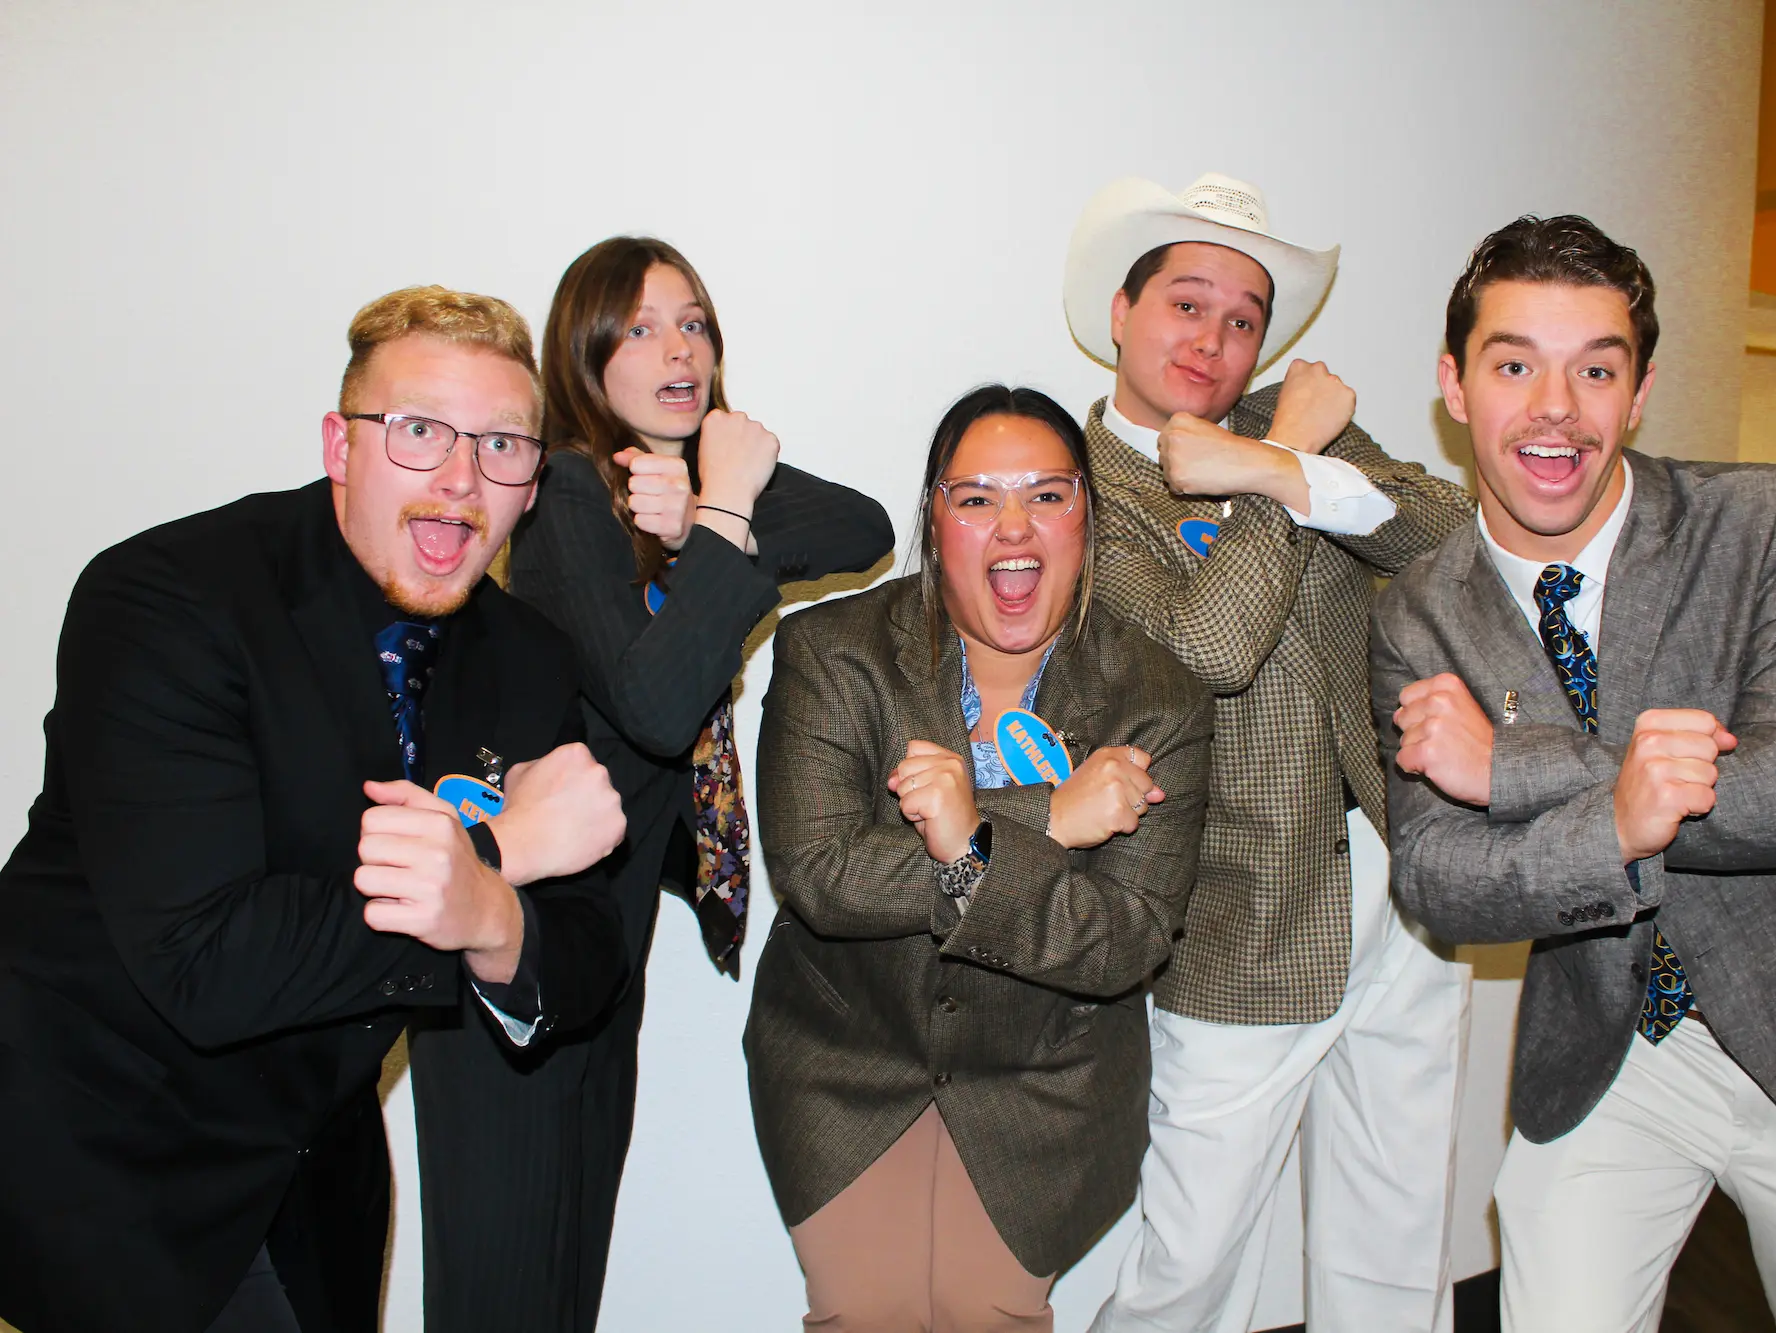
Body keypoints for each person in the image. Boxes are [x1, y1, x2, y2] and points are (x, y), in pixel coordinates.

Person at [1373, 214, 1776, 1332]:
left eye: (1593, 368)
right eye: (1514, 364)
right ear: (1453, 386)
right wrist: (1618, 810)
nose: (1554, 407)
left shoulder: (1764, 520)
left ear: (1636, 390)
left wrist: (1512, 766)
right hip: (1610, 1054)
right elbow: (1440, 881)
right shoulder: (1418, 613)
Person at [0, 285, 629, 1333]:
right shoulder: (165, 599)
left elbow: (583, 958)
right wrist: (500, 850)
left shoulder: (525, 660)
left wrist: (490, 912)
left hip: (315, 1170)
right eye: (419, 432)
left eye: (504, 447)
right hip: (97, 1147)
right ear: (342, 445)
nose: (459, 482)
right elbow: (208, 961)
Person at [407, 235, 893, 1331]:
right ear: (583, 353)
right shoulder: (567, 490)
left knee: (562, 1283)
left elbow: (861, 524)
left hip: (598, 954)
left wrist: (704, 508)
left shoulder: (689, 484)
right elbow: (658, 706)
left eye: (694, 322)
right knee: (500, 1298)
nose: (678, 347)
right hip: (508, 954)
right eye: (638, 326)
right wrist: (718, 517)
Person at [1067, 174, 1476, 1333]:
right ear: (1119, 311)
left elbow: (1453, 531)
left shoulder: (1287, 439)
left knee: (1397, 1222)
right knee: (1192, 1257)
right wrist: (1282, 472)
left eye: (1242, 319)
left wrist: (1279, 463)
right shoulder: (1075, 486)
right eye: (1186, 304)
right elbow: (1209, 650)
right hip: (1238, 904)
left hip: (1399, 869)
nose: (1215, 337)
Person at [746, 384, 1215, 1332]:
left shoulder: (1159, 698)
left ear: (1090, 516)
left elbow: (1125, 939)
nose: (1015, 526)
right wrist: (1048, 814)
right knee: (864, 1310)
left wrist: (971, 838)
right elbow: (821, 873)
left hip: (1047, 1082)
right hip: (846, 1066)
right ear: (934, 517)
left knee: (985, 1310)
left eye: (1048, 495)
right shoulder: (831, 653)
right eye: (977, 498)